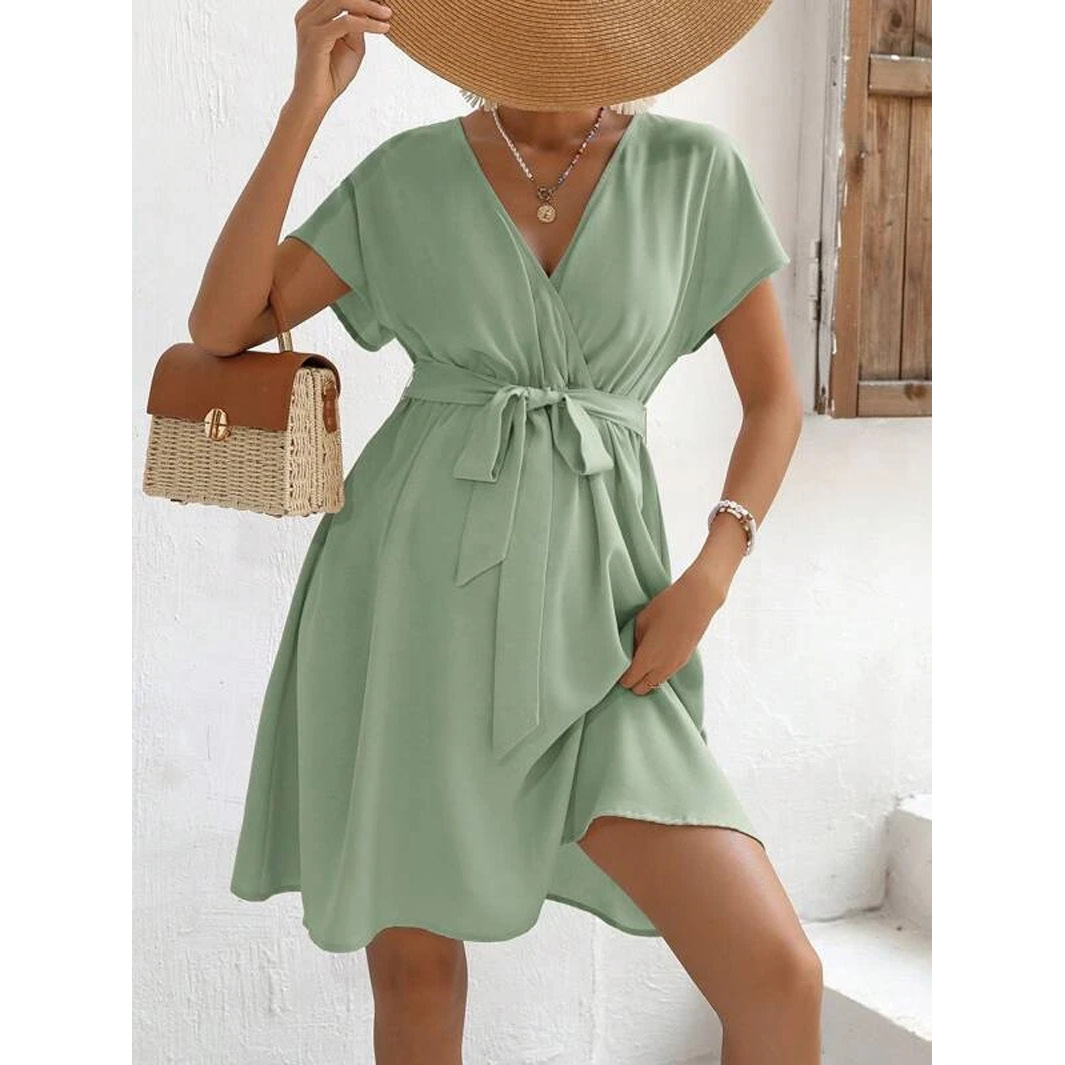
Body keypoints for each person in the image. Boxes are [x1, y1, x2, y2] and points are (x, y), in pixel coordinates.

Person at [189, 2, 821, 1061]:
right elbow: (220, 327)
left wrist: (714, 569)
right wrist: (307, 104)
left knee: (776, 975)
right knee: (417, 976)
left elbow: (773, 399)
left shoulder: (694, 172)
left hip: (605, 612)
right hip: (408, 595)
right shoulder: (407, 173)